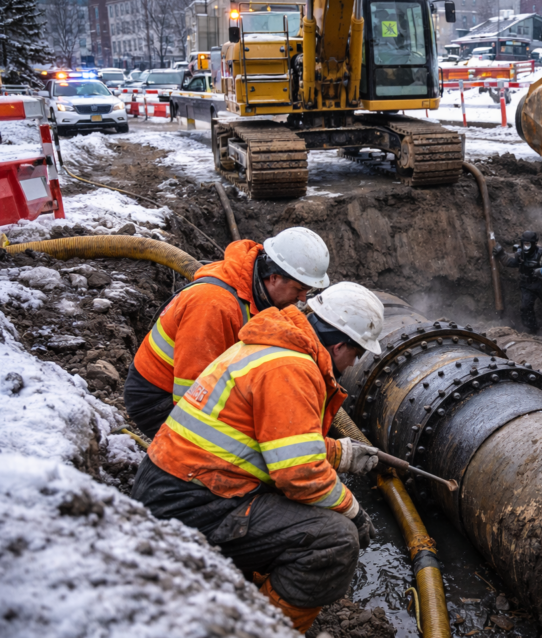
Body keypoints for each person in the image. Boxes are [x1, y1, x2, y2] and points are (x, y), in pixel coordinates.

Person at [131, 282, 385, 633]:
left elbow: (273, 438)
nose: (352, 364)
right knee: (336, 539)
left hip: (174, 486)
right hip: (190, 504)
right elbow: (299, 474)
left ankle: (248, 586)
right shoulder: (292, 369)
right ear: (340, 344)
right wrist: (353, 511)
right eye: (356, 355)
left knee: (301, 512)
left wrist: (341, 453)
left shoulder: (270, 347)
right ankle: (264, 628)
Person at [124, 227, 331, 439]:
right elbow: (191, 393)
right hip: (158, 402)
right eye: (299, 289)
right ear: (275, 277)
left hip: (191, 389)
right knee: (253, 445)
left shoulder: (254, 293)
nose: (303, 299)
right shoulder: (214, 305)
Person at [492, 230, 542, 335]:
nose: (526, 247)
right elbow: (510, 261)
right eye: (524, 244)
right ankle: (532, 330)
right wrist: (501, 254)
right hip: (527, 285)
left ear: (534, 243)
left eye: (528, 244)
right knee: (525, 307)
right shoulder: (521, 254)